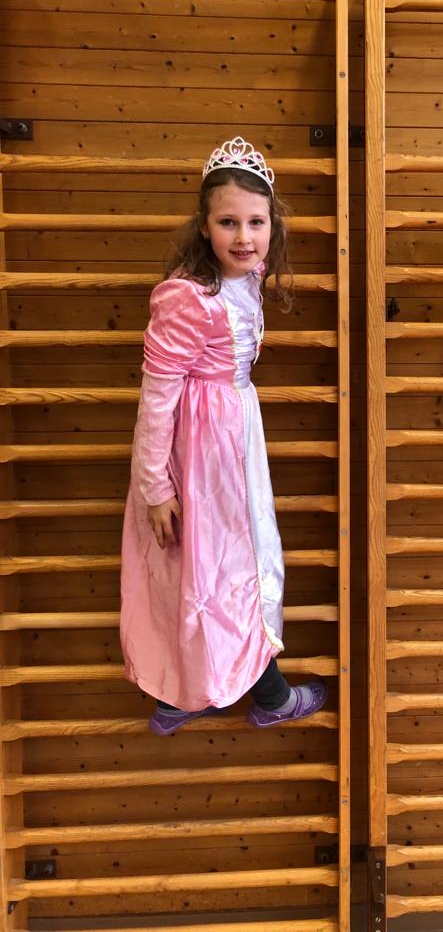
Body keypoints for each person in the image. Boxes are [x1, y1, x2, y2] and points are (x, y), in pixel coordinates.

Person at [120, 136, 328, 733]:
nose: (244, 237)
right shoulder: (189, 298)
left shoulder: (248, 276)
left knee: (224, 566)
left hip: (234, 438)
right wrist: (156, 487)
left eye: (256, 222)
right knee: (215, 568)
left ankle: (187, 697)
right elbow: (157, 397)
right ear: (204, 227)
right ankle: (258, 696)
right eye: (228, 222)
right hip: (199, 453)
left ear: (272, 226)